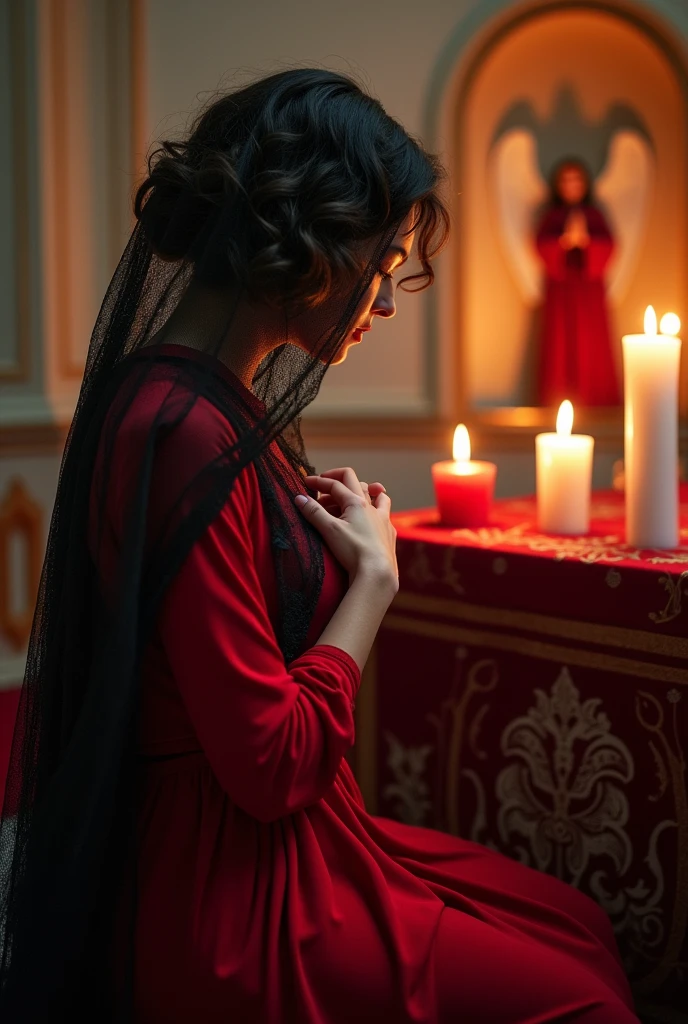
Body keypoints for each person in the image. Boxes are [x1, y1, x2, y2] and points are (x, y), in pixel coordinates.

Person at [0, 69, 639, 1022]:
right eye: (380, 267)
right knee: (582, 997)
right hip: (232, 894)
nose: (383, 303)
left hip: (294, 841)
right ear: (307, 241)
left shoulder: (207, 402)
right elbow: (269, 767)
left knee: (573, 924)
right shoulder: (179, 429)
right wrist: (371, 580)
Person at [534, 157, 621, 407]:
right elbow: (541, 246)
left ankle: (598, 402)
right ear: (557, 184)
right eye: (566, 180)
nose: (571, 186)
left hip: (589, 293)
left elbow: (609, 247)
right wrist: (563, 242)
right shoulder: (551, 216)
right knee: (560, 347)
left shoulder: (594, 215)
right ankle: (557, 402)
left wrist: (586, 242)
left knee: (591, 347)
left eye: (576, 180)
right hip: (560, 293)